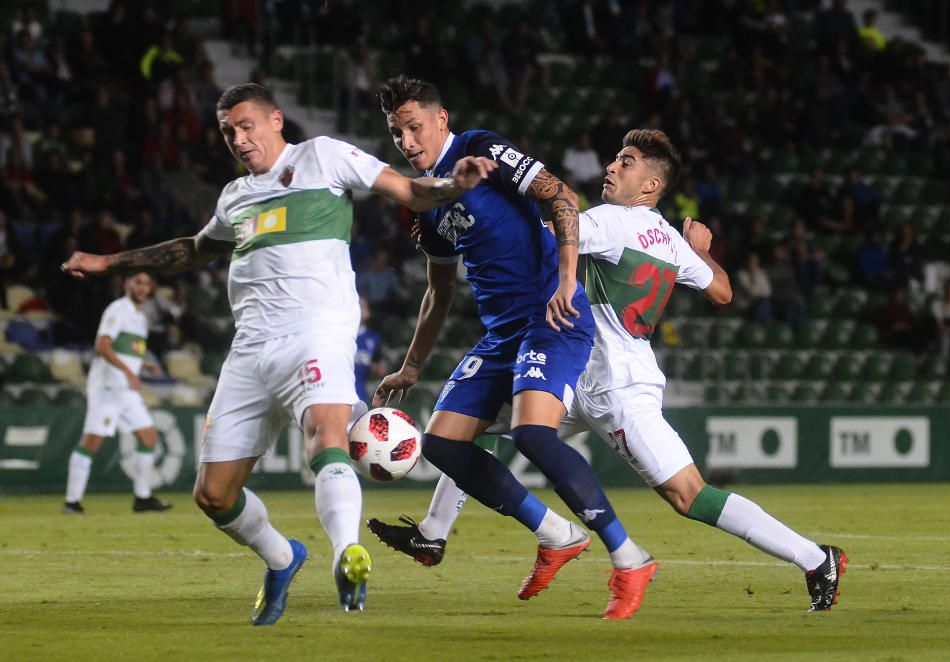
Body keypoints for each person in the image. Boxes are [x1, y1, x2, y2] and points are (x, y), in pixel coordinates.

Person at [60, 82, 495, 625]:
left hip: (316, 331)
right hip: (250, 348)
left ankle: (347, 555)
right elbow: (194, 251)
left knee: (326, 434)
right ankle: (283, 558)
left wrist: (454, 184)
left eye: (246, 126)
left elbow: (408, 191)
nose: (239, 140)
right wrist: (108, 263)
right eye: (228, 132)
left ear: (275, 121)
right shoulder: (234, 198)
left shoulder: (322, 157)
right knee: (213, 495)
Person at [369, 129, 848, 613]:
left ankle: (815, 557)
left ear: (650, 186)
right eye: (616, 158)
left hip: (615, 385)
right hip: (577, 371)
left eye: (627, 161)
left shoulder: (613, 221)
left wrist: (451, 217)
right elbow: (722, 291)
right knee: (473, 428)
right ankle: (436, 532)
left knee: (688, 496)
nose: (612, 167)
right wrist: (697, 248)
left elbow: (552, 229)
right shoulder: (670, 242)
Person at [371, 75, 656, 620]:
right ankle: (556, 535)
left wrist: (567, 279)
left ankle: (629, 557)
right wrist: (411, 366)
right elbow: (440, 288)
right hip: (502, 333)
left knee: (531, 433)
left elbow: (561, 197)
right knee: (441, 444)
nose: (407, 142)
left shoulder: (482, 149)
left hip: (554, 316)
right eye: (396, 133)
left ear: (441, 120)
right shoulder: (427, 199)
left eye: (413, 127)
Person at [62, 272, 172, 515]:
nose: (143, 288)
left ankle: (142, 497)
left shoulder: (141, 317)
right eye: (138, 282)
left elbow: (127, 349)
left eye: (147, 284)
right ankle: (72, 502)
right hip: (108, 388)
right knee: (93, 442)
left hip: (126, 389)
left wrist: (143, 364)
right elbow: (102, 345)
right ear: (126, 284)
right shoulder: (117, 309)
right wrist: (129, 373)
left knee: (149, 437)